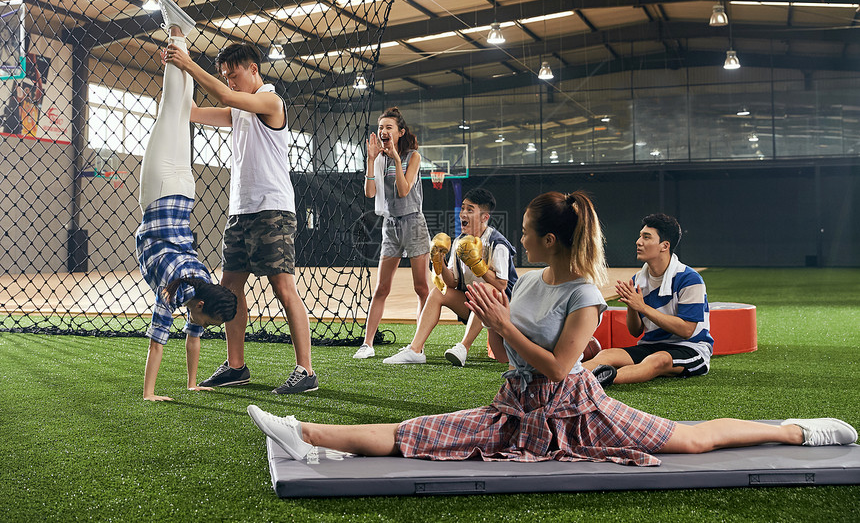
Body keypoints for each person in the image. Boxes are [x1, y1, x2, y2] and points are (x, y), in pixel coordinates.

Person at [247, 191, 857, 462]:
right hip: (516, 405)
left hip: (577, 409)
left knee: (691, 439)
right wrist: (467, 298)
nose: (521, 239)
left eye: (528, 232)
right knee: (420, 430)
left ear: (546, 238)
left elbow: (561, 368)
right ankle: (305, 435)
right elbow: (501, 334)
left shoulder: (586, 293)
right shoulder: (534, 280)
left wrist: (504, 328)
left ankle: (798, 432)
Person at [166, 34, 316, 394]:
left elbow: (226, 96)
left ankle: (305, 371)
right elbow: (193, 113)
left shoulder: (270, 101)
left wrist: (189, 63)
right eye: (226, 75)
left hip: (272, 209)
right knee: (230, 288)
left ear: (253, 70)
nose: (230, 81)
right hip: (240, 211)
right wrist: (174, 80)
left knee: (282, 286)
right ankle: (236, 366)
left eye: (234, 74)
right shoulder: (238, 111)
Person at [137, 0, 238, 402]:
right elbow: (157, 342)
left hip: (183, 193)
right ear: (199, 304)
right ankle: (176, 32)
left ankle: (179, 32)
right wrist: (149, 394)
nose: (203, 325)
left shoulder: (201, 286)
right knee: (170, 112)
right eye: (207, 320)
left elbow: (191, 335)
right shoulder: (175, 288)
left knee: (177, 112)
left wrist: (193, 383)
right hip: (161, 191)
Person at [380, 188, 518, 365]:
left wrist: (479, 267)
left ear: (485, 217)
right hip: (475, 306)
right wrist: (440, 262)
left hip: (504, 309)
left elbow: (501, 285)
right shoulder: (460, 242)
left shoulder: (497, 243)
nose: (463, 214)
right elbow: (452, 282)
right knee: (438, 293)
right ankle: (415, 349)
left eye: (470, 209)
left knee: (485, 291)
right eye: (463, 209)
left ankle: (463, 347)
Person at [583, 213, 713, 388]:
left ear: (664, 246)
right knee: (607, 355)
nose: (638, 242)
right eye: (640, 236)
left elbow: (687, 330)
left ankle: (597, 382)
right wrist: (632, 306)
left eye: (646, 237)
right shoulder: (638, 279)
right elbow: (635, 331)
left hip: (691, 347)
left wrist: (642, 307)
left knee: (657, 361)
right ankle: (566, 379)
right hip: (652, 345)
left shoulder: (690, 279)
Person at [351, 107, 431, 359]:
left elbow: (405, 190)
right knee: (381, 288)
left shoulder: (413, 156)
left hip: (414, 223)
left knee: (422, 288)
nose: (383, 131)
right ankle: (367, 344)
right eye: (381, 127)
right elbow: (370, 193)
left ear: (400, 132)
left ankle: (418, 345)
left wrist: (396, 158)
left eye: (389, 127)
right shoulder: (379, 159)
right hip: (391, 225)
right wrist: (371, 160)